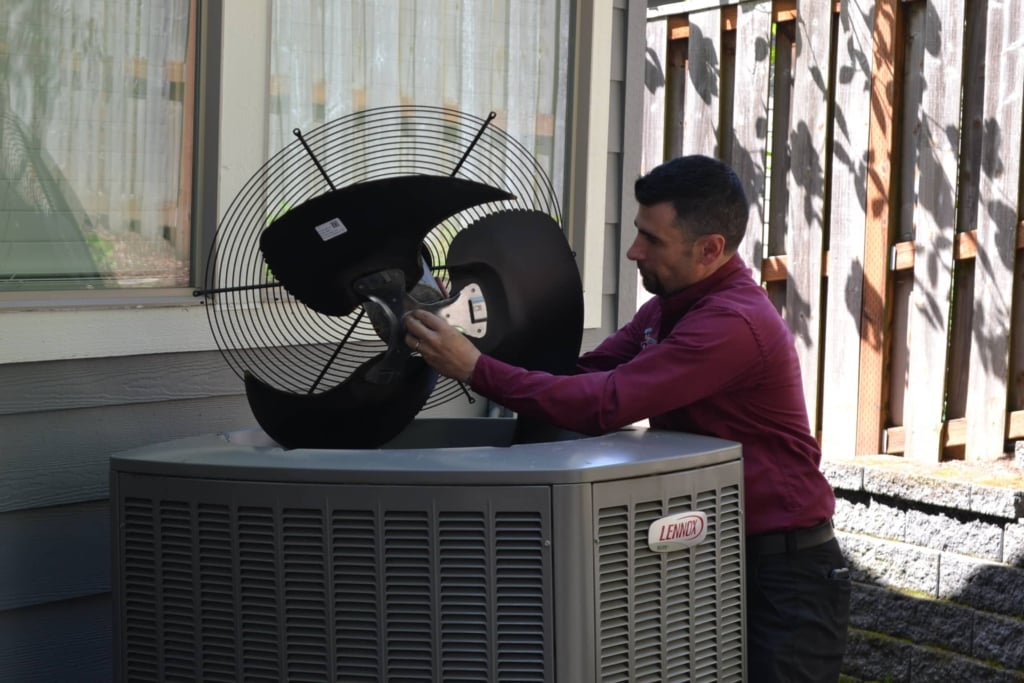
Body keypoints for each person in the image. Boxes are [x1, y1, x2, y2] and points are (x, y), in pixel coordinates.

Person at [404, 154, 851, 682]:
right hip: (715, 557)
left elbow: (604, 404)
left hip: (786, 574)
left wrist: (477, 369)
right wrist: (468, 329)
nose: (633, 250)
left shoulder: (732, 323)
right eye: (638, 231)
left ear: (710, 249)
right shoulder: (668, 308)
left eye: (652, 240)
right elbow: (583, 375)